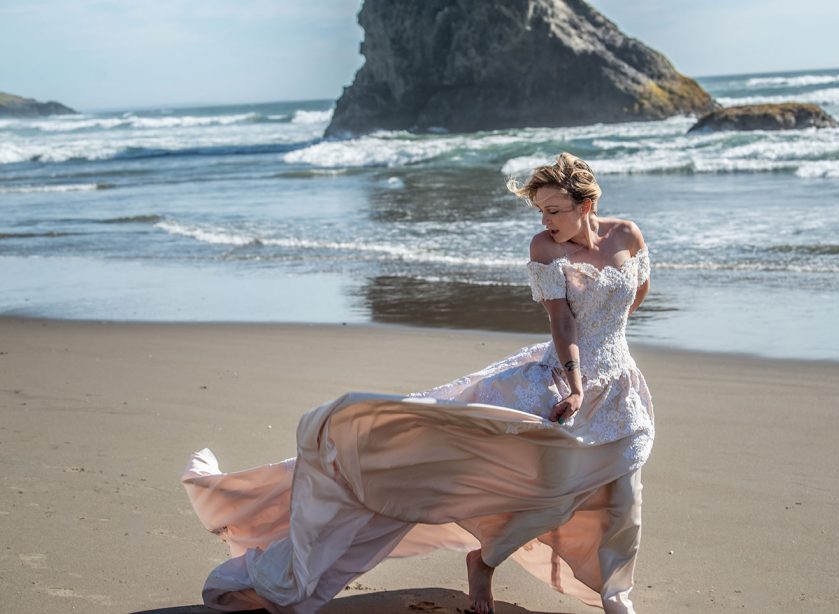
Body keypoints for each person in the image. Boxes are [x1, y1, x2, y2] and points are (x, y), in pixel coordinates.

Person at [182, 152, 654, 614]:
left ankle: (616, 598)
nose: (545, 221)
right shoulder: (546, 248)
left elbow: (636, 295)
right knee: (551, 498)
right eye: (540, 211)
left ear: (585, 206)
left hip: (620, 389)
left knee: (625, 501)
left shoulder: (627, 235)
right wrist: (575, 384)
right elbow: (563, 325)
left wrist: (607, 340)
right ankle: (484, 561)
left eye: (554, 211)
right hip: (560, 385)